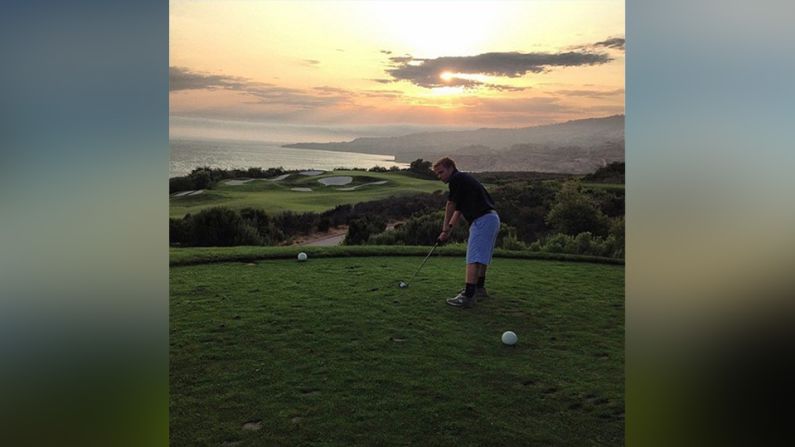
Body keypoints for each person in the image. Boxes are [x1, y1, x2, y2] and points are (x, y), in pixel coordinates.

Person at [433, 157, 500, 308]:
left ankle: (468, 296)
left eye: (441, 172)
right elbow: (458, 210)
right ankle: (479, 288)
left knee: (473, 258)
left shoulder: (456, 179)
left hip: (483, 220)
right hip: (491, 219)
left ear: (451, 168)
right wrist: (447, 232)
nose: (440, 176)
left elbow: (450, 205)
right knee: (480, 257)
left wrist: (443, 229)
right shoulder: (463, 180)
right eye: (437, 174)